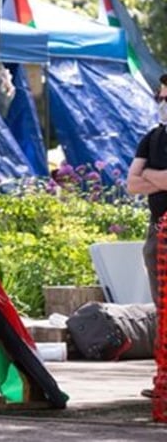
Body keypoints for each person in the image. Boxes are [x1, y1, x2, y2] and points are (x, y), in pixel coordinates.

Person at [127, 73, 167, 399]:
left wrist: (148, 176)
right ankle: (164, 381)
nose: (163, 104)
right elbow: (132, 183)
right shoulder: (151, 138)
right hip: (157, 234)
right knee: (162, 310)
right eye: (161, 98)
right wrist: (160, 178)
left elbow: (143, 179)